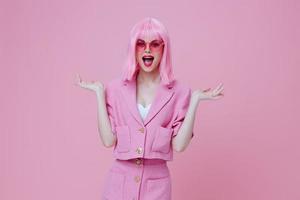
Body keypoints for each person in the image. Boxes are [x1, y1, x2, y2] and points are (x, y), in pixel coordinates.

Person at [75, 17, 224, 200]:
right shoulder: (115, 89)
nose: (147, 49)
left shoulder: (179, 92)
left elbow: (179, 145)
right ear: (133, 48)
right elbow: (108, 140)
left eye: (154, 44)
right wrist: (99, 93)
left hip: (157, 188)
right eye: (140, 44)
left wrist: (194, 101)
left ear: (164, 48)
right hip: (118, 184)